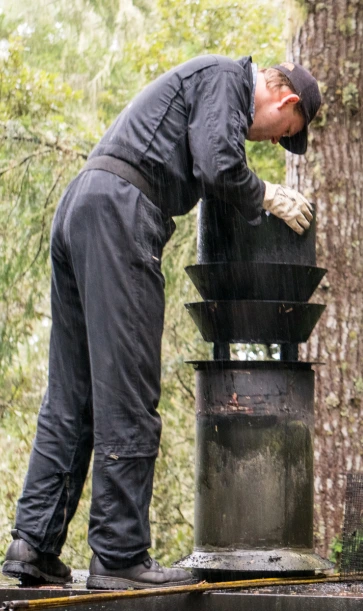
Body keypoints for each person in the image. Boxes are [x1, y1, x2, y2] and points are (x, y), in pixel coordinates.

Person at [2, 55, 321, 590]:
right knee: (128, 393)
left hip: (84, 205)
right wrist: (267, 194)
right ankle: (120, 554)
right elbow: (219, 165)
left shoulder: (208, 89)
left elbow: (209, 160)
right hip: (121, 214)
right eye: (281, 134)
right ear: (285, 100)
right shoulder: (227, 77)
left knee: (73, 395)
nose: (269, 143)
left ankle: (32, 547)